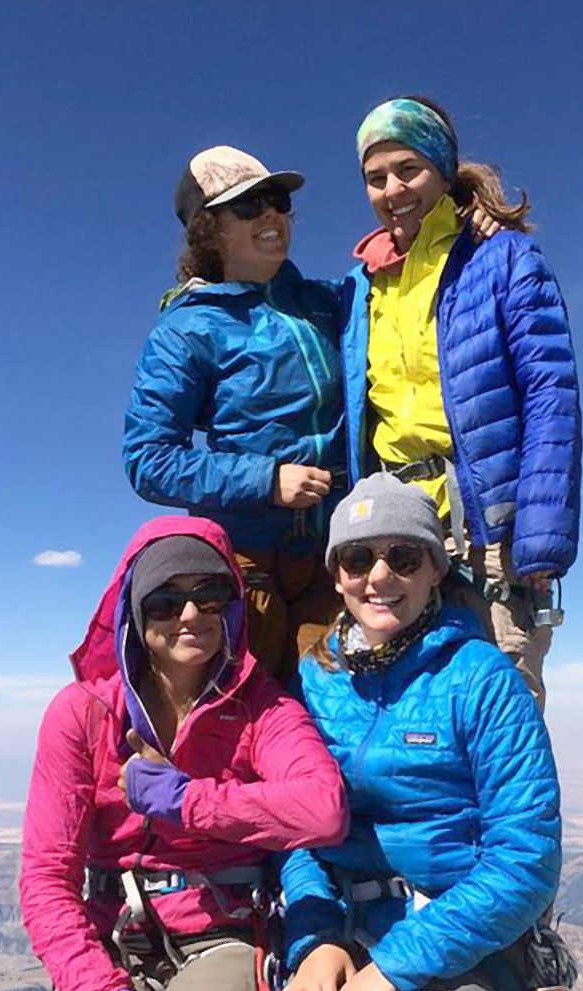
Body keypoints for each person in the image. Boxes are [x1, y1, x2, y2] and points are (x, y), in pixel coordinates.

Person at [222, 473, 561, 991]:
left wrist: (395, 965)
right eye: (358, 558)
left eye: (404, 557)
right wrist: (314, 943)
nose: (379, 576)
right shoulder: (315, 684)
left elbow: (525, 862)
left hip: (464, 956)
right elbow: (297, 831)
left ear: (437, 567)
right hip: (345, 941)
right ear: (334, 573)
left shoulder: (480, 680)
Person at [0, 516, 346, 991]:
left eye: (210, 595)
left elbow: (321, 809)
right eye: (165, 600)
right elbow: (45, 881)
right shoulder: (83, 715)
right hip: (108, 947)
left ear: (235, 607)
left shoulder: (261, 711)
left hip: (220, 940)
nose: (190, 615)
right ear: (133, 613)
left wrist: (188, 802)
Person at [341, 96, 583, 708]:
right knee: (408, 720)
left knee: (501, 713)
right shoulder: (365, 286)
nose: (393, 190)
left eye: (409, 170)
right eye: (376, 178)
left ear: (444, 171)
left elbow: (550, 393)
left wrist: (541, 537)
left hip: (486, 533)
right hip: (395, 539)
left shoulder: (500, 259)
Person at [123, 146, 347, 682]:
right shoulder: (185, 330)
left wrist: (466, 216)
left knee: (341, 717)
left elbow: (401, 282)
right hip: (251, 566)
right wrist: (267, 479)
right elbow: (147, 460)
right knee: (247, 719)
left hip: (338, 556)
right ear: (210, 231)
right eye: (247, 206)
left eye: (276, 201)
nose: (271, 215)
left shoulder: (328, 302)